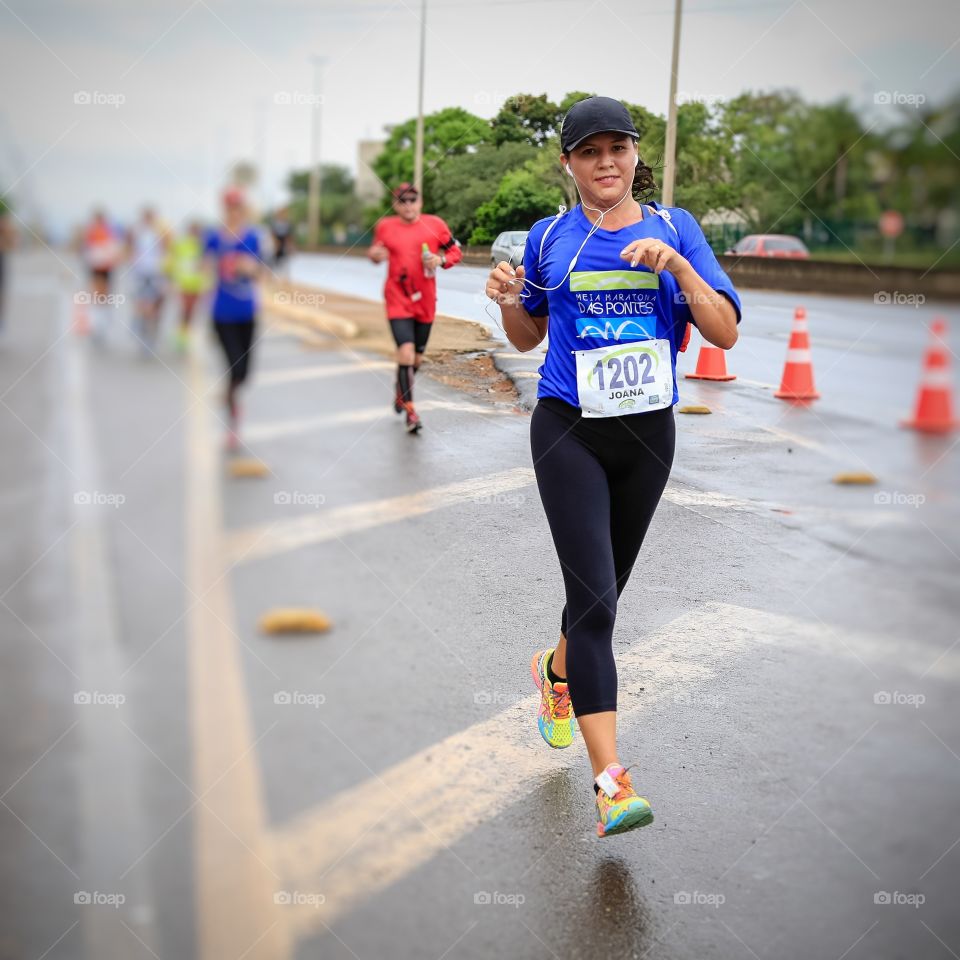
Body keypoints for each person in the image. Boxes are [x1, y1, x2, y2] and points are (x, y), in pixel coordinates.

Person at [485, 96, 741, 838]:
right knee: (597, 602)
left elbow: (724, 330)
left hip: (648, 438)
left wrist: (679, 267)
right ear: (568, 162)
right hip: (568, 431)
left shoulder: (676, 227)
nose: (606, 163)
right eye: (589, 151)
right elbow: (527, 337)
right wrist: (509, 300)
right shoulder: (549, 238)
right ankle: (611, 783)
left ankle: (555, 670)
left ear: (635, 155)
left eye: (617, 148)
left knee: (601, 594)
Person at [367, 183, 462, 434]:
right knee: (406, 353)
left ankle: (401, 390)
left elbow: (455, 251)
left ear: (420, 202)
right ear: (395, 204)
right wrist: (375, 255)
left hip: (425, 301)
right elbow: (375, 252)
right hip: (397, 298)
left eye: (412, 199)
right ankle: (411, 411)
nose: (408, 204)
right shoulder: (385, 226)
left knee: (416, 359)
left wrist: (440, 259)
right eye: (402, 200)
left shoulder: (435, 224)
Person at [204, 187, 264, 451]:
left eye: (238, 207)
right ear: (224, 209)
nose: (234, 212)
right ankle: (232, 423)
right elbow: (202, 267)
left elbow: (261, 271)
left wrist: (248, 268)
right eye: (230, 207)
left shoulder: (252, 236)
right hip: (222, 314)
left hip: (247, 312)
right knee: (234, 368)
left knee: (246, 373)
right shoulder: (213, 237)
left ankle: (230, 395)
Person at [127, 206, 170, 356]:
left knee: (154, 306)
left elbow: (167, 251)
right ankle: (142, 331)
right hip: (141, 273)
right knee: (143, 304)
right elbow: (129, 248)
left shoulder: (160, 232)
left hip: (155, 273)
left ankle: (149, 335)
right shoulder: (137, 231)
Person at [166, 221, 208, 352]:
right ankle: (181, 336)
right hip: (183, 284)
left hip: (196, 284)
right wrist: (172, 280)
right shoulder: (181, 245)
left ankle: (184, 334)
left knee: (190, 312)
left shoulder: (203, 245)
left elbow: (206, 265)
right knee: (185, 310)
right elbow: (173, 262)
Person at [82, 209, 123, 342]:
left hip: (106, 267)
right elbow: (87, 249)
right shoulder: (92, 231)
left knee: (104, 295)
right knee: (97, 295)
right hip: (96, 267)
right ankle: (97, 323)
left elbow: (115, 249)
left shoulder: (109, 231)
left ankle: (102, 322)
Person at [268, 206, 295, 274]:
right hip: (276, 243)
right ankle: (272, 273)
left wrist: (290, 246)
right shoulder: (274, 223)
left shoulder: (288, 223)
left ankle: (283, 275)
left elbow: (289, 236)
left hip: (284, 244)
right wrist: (275, 243)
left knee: (284, 262)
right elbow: (272, 233)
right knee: (274, 261)